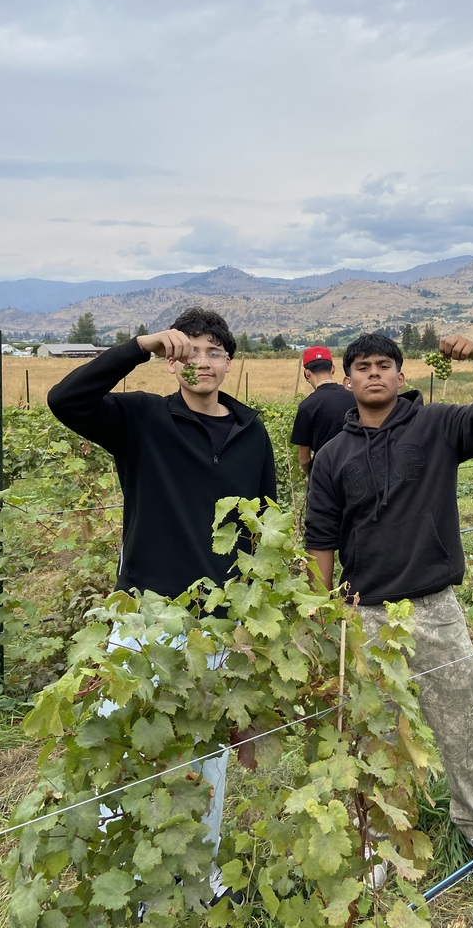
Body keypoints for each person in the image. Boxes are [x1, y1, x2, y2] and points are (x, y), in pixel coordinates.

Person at [48, 307, 277, 909]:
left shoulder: (253, 432)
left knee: (208, 758)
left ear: (230, 362)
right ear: (174, 359)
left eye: (214, 352)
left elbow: (264, 532)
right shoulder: (140, 419)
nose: (202, 362)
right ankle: (127, 877)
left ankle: (199, 878)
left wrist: (252, 620)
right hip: (146, 613)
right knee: (126, 743)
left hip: (221, 622)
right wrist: (138, 346)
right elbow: (65, 398)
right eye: (189, 351)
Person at [305, 332, 473, 881]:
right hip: (366, 613)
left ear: (402, 377)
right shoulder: (332, 457)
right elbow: (321, 538)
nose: (373, 374)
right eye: (362, 367)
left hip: (434, 607)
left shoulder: (438, 425)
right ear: (346, 379)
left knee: (460, 721)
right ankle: (378, 839)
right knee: (373, 734)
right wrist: (324, 611)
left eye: (384, 365)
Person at [290, 346, 352, 478]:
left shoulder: (306, 407)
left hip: (324, 477)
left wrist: (312, 475)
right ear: (333, 368)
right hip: (357, 473)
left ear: (307, 373)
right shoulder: (355, 396)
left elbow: (304, 459)